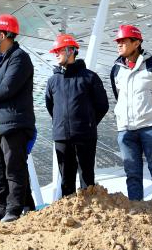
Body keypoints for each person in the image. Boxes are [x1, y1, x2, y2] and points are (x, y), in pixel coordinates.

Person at [109, 24, 152, 201]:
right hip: (126, 130)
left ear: (136, 43)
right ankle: (137, 212)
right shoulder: (116, 69)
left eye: (123, 41)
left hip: (151, 127)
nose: (119, 44)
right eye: (118, 41)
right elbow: (119, 97)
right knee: (132, 175)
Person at [0, 15, 34, 223]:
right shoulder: (0, 62)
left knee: (14, 167)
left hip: (14, 123)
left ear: (2, 35)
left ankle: (14, 209)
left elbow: (7, 87)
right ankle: (0, 209)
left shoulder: (20, 58)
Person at [44, 34, 109, 199]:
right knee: (66, 181)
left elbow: (102, 105)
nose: (56, 54)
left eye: (59, 50)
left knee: (87, 179)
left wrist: (88, 124)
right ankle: (69, 214)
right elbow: (51, 107)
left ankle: (90, 211)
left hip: (85, 136)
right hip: (61, 137)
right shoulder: (52, 81)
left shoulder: (90, 77)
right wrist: (61, 124)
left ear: (70, 51)